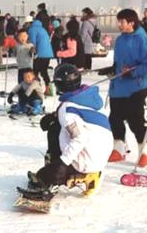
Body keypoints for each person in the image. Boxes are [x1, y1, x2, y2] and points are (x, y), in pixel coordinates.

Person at [27, 63, 113, 198]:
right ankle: (92, 174)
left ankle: (66, 174)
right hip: (101, 157)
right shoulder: (90, 98)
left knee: (42, 176)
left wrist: (62, 164)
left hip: (86, 160)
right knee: (57, 124)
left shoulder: (66, 109)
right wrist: (54, 116)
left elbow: (80, 137)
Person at [98, 9, 147, 165]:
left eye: (121, 21)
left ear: (131, 23)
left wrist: (133, 72)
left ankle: (145, 149)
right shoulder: (120, 40)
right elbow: (119, 62)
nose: (118, 24)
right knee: (115, 118)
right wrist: (112, 69)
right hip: (119, 86)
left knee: (135, 119)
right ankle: (119, 148)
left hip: (138, 85)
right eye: (118, 21)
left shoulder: (142, 40)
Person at [27, 20, 55, 95]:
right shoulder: (43, 29)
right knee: (44, 71)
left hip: (40, 54)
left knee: (35, 72)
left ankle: (35, 89)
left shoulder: (32, 29)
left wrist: (31, 52)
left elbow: (32, 42)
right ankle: (48, 89)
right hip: (48, 53)